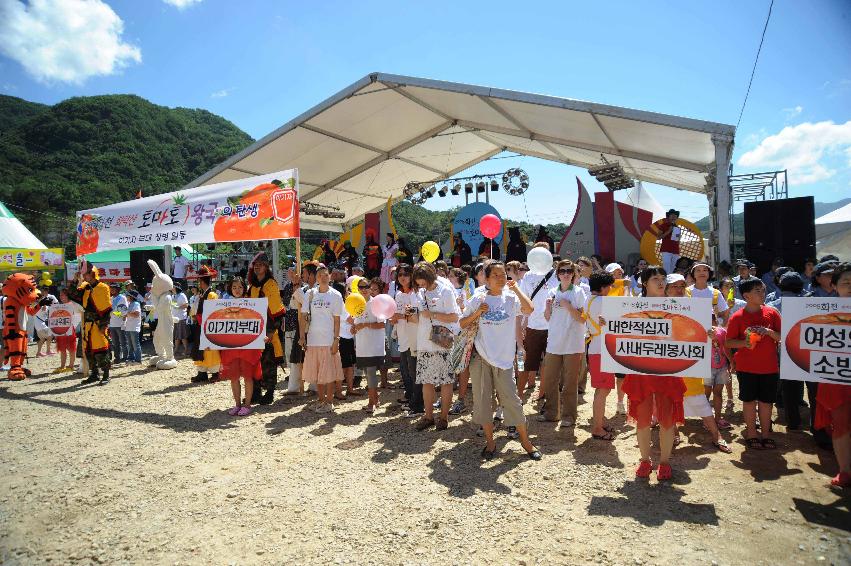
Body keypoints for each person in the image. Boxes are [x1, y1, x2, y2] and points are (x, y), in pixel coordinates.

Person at [460, 260, 542, 460]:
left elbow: (529, 309)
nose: (501, 278)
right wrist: (478, 312)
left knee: (512, 401)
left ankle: (526, 443)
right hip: (481, 358)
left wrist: (517, 290)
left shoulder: (511, 297)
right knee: (483, 401)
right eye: (495, 275)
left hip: (505, 359)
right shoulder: (478, 297)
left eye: (503, 274)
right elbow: (462, 323)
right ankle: (490, 443)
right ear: (486, 279)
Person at [622, 266, 686, 480]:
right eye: (655, 279)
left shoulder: (680, 308)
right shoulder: (631, 307)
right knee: (642, 418)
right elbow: (621, 333)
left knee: (667, 419)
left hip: (668, 369)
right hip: (641, 370)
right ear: (644, 283)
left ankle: (665, 463)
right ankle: (645, 460)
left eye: (663, 278)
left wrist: (709, 332)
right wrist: (608, 324)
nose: (660, 282)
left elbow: (687, 334)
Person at [665, 274, 731, 454]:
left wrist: (710, 334)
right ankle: (674, 432)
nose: (678, 289)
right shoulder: (656, 306)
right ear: (666, 288)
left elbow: (707, 328)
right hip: (666, 362)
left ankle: (716, 435)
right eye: (674, 286)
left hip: (689, 361)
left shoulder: (696, 307)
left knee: (698, 398)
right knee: (669, 399)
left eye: (681, 285)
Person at [725, 276, 782, 450]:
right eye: (757, 290)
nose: (762, 293)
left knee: (766, 402)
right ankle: (751, 433)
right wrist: (745, 343)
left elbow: (782, 337)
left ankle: (766, 435)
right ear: (746, 296)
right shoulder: (737, 317)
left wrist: (768, 331)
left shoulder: (772, 313)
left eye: (763, 290)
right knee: (749, 401)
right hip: (746, 367)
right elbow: (728, 342)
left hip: (769, 366)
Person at [536, 259, 587, 428]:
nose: (566, 274)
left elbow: (582, 319)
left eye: (569, 271)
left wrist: (567, 306)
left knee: (570, 382)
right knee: (550, 379)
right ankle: (551, 413)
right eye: (562, 271)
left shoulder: (578, 292)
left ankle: (569, 416)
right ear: (557, 274)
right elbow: (547, 318)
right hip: (554, 342)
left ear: (573, 274)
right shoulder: (551, 291)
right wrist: (548, 308)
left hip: (573, 343)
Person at [410, 261, 461, 431]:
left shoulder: (445, 290)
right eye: (418, 283)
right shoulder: (420, 292)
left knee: (446, 381)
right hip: (425, 341)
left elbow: (455, 316)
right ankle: (428, 416)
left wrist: (432, 314)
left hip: (443, 341)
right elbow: (420, 317)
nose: (421, 285)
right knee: (426, 381)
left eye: (423, 282)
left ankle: (444, 417)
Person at [814, 263, 851, 487]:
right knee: (840, 423)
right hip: (837, 376)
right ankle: (845, 470)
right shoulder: (820, 312)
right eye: (846, 283)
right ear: (835, 286)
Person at [300, 265, 344, 413]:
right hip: (313, 339)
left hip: (328, 339)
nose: (323, 277)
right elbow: (304, 316)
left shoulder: (336, 295)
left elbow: (338, 319)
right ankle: (320, 399)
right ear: (316, 278)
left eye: (326, 275)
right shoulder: (310, 294)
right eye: (320, 275)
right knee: (317, 372)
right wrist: (302, 336)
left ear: (330, 276)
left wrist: (336, 339)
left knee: (329, 372)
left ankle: (329, 401)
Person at [219, 277, 263, 417]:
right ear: (230, 289)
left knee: (248, 377)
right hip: (231, 346)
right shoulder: (224, 306)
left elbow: (258, 322)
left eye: (239, 287)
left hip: (248, 347)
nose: (237, 290)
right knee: (234, 377)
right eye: (234, 287)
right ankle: (237, 404)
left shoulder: (252, 305)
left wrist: (262, 335)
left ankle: (247, 405)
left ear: (244, 288)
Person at [517, 243, 557, 399]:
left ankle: (542, 393)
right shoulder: (528, 276)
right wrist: (523, 323)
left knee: (548, 363)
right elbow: (524, 302)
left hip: (551, 326)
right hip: (532, 325)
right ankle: (519, 393)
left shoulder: (556, 274)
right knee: (525, 362)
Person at [246, 253, 286, 405]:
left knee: (268, 364)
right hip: (253, 330)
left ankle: (269, 392)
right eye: (255, 264)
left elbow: (278, 312)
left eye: (261, 264)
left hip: (268, 331)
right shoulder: (252, 286)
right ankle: (255, 393)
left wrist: (270, 332)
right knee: (254, 362)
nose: (257, 266)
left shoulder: (271, 285)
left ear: (266, 267)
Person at [585, 271, 615, 440]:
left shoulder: (590, 299)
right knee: (603, 390)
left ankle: (600, 421)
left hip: (597, 348)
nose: (611, 289)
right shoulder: (603, 301)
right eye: (609, 286)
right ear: (603, 287)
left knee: (603, 389)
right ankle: (597, 427)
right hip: (601, 350)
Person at [73, 264, 113, 385]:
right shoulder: (84, 287)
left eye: (88, 274)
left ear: (94, 274)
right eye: (84, 274)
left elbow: (107, 308)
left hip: (98, 323)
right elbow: (73, 295)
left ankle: (106, 375)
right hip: (87, 323)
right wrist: (75, 280)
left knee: (101, 350)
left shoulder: (103, 287)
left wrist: (104, 325)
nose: (85, 276)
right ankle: (94, 374)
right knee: (89, 351)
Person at [352, 280, 387, 413]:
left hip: (374, 345)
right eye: (361, 287)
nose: (364, 289)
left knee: (371, 374)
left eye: (366, 286)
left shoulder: (376, 303)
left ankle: (371, 402)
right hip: (362, 345)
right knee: (367, 373)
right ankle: (376, 399)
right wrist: (354, 329)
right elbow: (356, 323)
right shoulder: (356, 303)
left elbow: (382, 324)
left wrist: (365, 325)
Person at [392, 265, 420, 414]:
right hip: (402, 336)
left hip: (413, 337)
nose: (402, 277)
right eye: (400, 274)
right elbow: (398, 313)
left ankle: (417, 404)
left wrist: (400, 316)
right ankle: (410, 397)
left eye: (406, 274)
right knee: (405, 371)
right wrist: (394, 319)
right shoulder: (398, 294)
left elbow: (416, 317)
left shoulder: (415, 294)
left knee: (413, 371)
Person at [188, 265, 221, 383]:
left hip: (208, 326)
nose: (199, 283)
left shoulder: (211, 295)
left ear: (202, 281)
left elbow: (212, 313)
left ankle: (215, 372)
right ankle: (202, 372)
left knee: (210, 349)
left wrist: (199, 317)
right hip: (201, 324)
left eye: (199, 281)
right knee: (200, 348)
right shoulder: (204, 294)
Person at [338, 278, 362, 398]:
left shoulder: (346, 304)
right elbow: (351, 319)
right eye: (347, 290)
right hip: (343, 338)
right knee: (344, 366)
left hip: (348, 338)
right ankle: (339, 391)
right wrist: (360, 316)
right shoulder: (342, 305)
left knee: (349, 365)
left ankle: (350, 388)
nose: (350, 292)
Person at [53, 288, 83, 373]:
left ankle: (71, 365)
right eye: (60, 295)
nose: (60, 296)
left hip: (70, 329)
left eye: (62, 295)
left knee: (71, 348)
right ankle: (62, 366)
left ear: (67, 295)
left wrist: (75, 324)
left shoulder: (73, 304)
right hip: (61, 329)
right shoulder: (59, 306)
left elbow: (81, 312)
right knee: (62, 348)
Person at [651, 209, 681, 274]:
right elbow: (658, 237)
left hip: (675, 250)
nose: (673, 217)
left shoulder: (677, 227)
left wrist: (679, 237)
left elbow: (677, 240)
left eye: (675, 215)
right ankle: (666, 282)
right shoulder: (663, 225)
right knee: (666, 268)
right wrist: (668, 231)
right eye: (672, 215)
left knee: (674, 268)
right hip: (666, 249)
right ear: (668, 216)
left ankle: (671, 282)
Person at [107, 284, 128, 364]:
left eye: (113, 288)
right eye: (111, 288)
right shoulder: (111, 298)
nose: (112, 290)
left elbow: (124, 312)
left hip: (120, 323)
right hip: (112, 324)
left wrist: (113, 312)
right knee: (115, 343)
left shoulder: (122, 298)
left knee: (123, 342)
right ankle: (117, 358)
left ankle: (125, 357)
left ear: (118, 289)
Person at [123, 288, 142, 364]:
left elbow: (136, 314)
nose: (126, 297)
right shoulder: (130, 304)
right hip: (129, 327)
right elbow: (128, 314)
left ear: (131, 297)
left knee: (135, 344)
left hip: (134, 327)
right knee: (130, 345)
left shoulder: (136, 304)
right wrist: (118, 314)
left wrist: (127, 314)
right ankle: (131, 358)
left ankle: (138, 360)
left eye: (127, 296)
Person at [172, 283, 189, 356]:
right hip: (174, 318)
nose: (171, 288)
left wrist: (178, 307)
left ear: (176, 287)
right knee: (176, 335)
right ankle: (176, 349)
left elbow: (186, 305)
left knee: (182, 335)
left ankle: (186, 350)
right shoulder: (173, 296)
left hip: (181, 318)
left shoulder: (182, 295)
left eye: (173, 287)